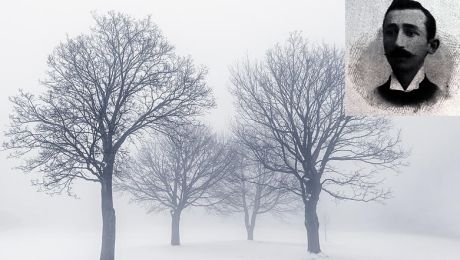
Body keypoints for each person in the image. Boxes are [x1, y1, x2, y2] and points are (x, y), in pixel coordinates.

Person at [376, 0, 440, 106]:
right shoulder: (373, 96)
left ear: (432, 46)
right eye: (390, 33)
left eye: (410, 33)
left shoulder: (441, 99)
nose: (398, 43)